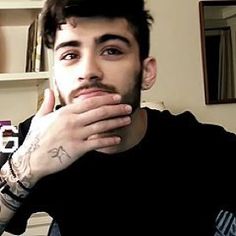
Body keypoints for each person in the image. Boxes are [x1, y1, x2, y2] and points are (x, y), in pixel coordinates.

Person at [0, 0, 236, 235]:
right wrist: (27, 167)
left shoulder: (198, 145)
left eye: (111, 50)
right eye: (70, 55)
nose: (88, 71)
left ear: (146, 72)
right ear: (56, 77)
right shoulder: (37, 138)